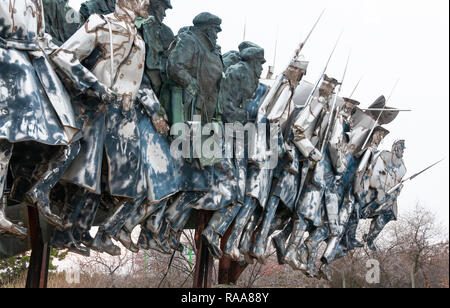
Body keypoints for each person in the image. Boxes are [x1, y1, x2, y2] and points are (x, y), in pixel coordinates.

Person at [49, 0, 151, 256]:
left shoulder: (139, 39)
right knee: (88, 179)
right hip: (98, 109)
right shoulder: (100, 23)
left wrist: (155, 110)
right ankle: (69, 232)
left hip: (125, 118)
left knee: (137, 188)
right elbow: (62, 54)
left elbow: (137, 83)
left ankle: (105, 232)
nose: (147, 2)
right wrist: (92, 86)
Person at [1, 0, 82, 236]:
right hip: (7, 68)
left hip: (30, 74)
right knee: (5, 139)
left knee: (68, 141)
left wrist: (78, 73)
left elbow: (42, 38)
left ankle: (38, 190)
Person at [201, 43, 266, 258]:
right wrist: (247, 117)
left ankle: (213, 232)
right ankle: (211, 231)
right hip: (226, 137)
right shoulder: (238, 74)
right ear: (253, 63)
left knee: (238, 194)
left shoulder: (248, 78)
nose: (262, 69)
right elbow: (226, 107)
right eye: (260, 64)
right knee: (235, 190)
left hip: (237, 138)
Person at [138, 0, 174, 97]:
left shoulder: (167, 32)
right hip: (137, 82)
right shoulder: (134, 24)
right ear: (156, 6)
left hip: (159, 87)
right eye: (164, 9)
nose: (165, 14)